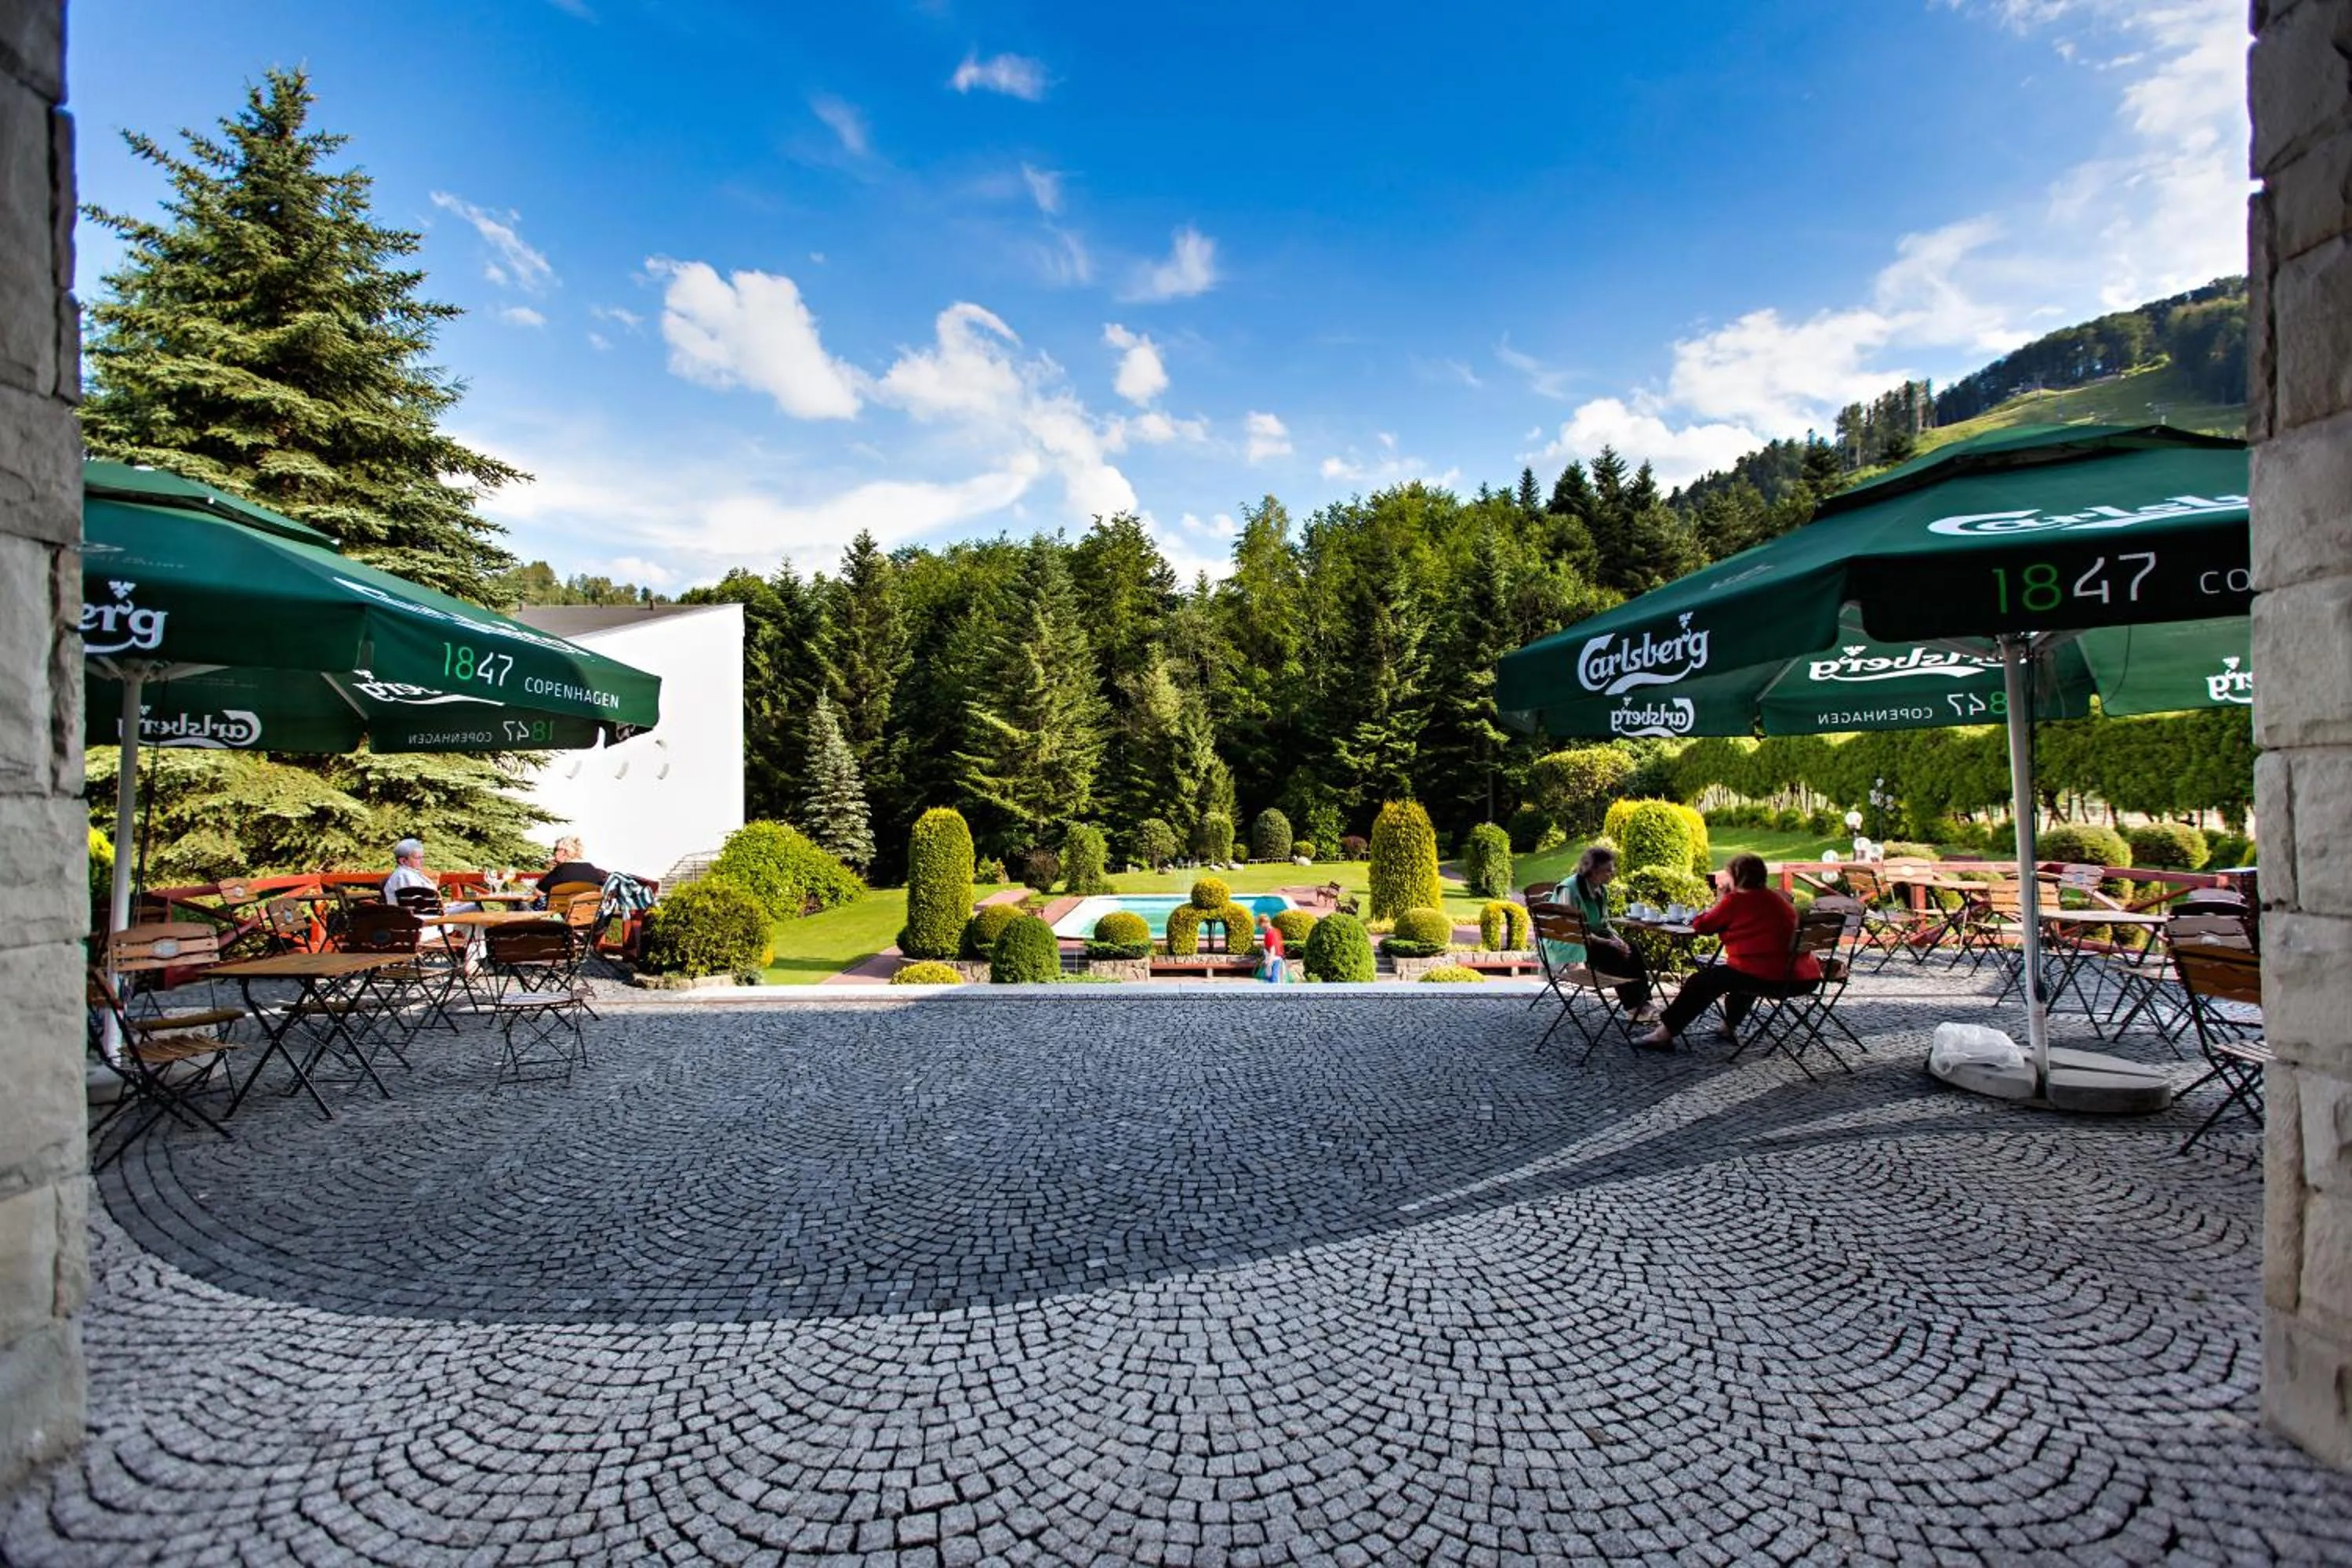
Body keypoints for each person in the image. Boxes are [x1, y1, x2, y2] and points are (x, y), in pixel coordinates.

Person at [1635, 852, 1818, 1051]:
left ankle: (1663, 1034)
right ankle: (1728, 1027)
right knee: (1734, 976)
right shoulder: (1779, 900)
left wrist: (1721, 901)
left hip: (1772, 978)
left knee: (1701, 982)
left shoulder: (1737, 901)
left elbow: (1703, 925)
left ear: (1737, 877)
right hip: (1804, 977)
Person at [1545, 844, 1653, 1018]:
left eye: (1613, 870)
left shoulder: (1601, 890)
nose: (1612, 874)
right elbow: (1568, 930)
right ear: (1592, 870)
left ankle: (1643, 1003)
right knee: (1614, 954)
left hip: (1592, 941)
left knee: (1632, 948)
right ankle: (1634, 1007)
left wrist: (1617, 939)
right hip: (1569, 945)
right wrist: (1609, 943)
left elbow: (1604, 924)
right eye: (1608, 871)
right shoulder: (1569, 889)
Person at [382, 837, 478, 913]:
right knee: (475, 908)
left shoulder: (404, 874)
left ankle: (472, 937)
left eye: (422, 857)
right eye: (418, 858)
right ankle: (478, 938)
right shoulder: (405, 876)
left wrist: (449, 905)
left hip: (422, 916)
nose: (422, 861)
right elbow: (421, 905)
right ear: (403, 860)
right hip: (422, 921)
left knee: (468, 905)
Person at [537, 836, 609, 898]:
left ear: (564, 852)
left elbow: (538, 892)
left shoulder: (561, 870)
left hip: (559, 913)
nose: (554, 853)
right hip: (587, 913)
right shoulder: (592, 869)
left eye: (556, 849)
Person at [1258, 913, 1287, 984]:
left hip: (1273, 959)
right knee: (1272, 979)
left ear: (1264, 923)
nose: (1260, 927)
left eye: (1260, 924)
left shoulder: (1269, 933)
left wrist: (1269, 962)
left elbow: (1273, 949)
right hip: (1276, 958)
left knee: (1273, 980)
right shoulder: (1274, 931)